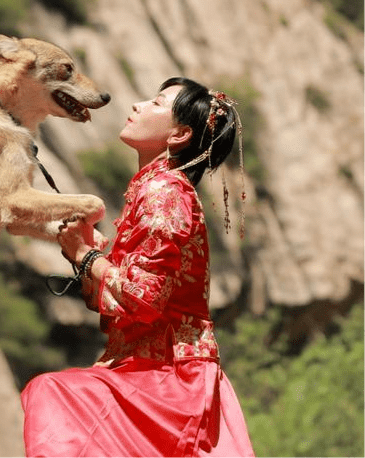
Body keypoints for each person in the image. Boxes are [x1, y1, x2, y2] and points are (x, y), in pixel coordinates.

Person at [21, 77, 255, 458]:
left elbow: (143, 299)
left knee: (52, 396)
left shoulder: (164, 193)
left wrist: (86, 256)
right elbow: (118, 302)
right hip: (148, 373)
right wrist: (84, 255)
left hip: (167, 381)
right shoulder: (154, 190)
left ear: (179, 134)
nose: (138, 105)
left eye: (157, 103)